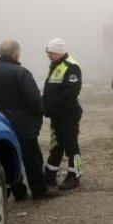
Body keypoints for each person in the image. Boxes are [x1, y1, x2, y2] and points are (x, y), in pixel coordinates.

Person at [0, 40, 60, 200]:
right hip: (23, 125)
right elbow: (33, 99)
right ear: (15, 54)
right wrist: (42, 110)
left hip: (0, 124)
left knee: (8, 158)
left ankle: (18, 191)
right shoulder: (21, 73)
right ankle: (39, 190)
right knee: (32, 158)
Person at [42, 38, 83, 190]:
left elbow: (70, 93)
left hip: (68, 114)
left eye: (50, 52)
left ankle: (75, 176)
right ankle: (49, 176)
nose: (48, 55)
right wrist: (44, 105)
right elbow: (49, 89)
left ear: (59, 52)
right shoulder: (55, 65)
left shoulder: (71, 66)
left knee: (71, 146)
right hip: (56, 115)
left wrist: (52, 106)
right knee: (55, 145)